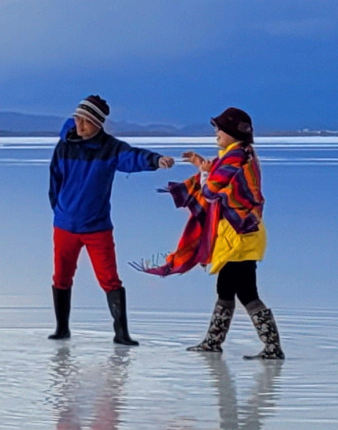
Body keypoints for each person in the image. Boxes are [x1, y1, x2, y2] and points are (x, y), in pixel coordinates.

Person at [49, 95, 174, 344]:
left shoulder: (110, 148)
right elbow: (54, 181)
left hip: (97, 227)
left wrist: (155, 160)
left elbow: (132, 157)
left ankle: (121, 334)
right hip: (65, 225)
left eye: (86, 121)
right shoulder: (63, 146)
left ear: (98, 123)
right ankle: (62, 329)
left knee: (109, 279)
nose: (80, 125)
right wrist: (60, 210)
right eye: (77, 119)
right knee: (61, 277)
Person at [169, 107, 284, 359]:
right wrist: (203, 165)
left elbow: (211, 192)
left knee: (245, 291)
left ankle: (271, 348)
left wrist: (204, 172)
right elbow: (220, 182)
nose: (216, 133)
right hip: (242, 232)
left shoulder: (236, 157)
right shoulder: (239, 154)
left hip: (240, 235)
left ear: (232, 131)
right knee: (226, 288)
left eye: (220, 128)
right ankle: (214, 342)